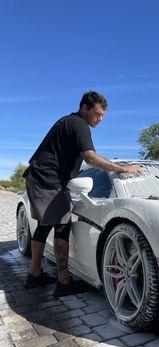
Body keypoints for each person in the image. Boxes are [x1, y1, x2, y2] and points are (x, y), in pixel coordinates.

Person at [23, 91, 143, 297]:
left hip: (38, 177)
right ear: (84, 108)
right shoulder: (79, 125)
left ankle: (35, 276)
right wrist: (121, 168)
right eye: (97, 114)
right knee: (62, 226)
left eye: (103, 115)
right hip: (48, 180)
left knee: (45, 226)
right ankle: (64, 282)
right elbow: (90, 157)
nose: (100, 119)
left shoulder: (68, 122)